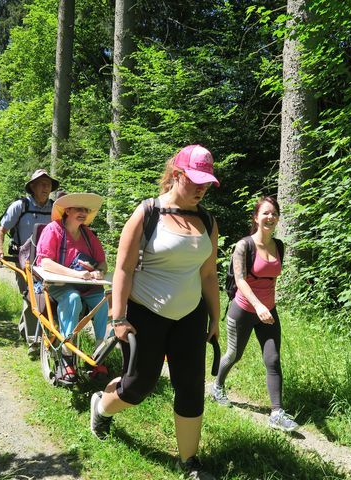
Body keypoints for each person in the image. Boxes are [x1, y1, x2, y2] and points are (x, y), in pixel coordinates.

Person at [90, 145, 220, 480]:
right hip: (145, 313)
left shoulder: (206, 220)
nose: (202, 188)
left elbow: (208, 274)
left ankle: (189, 461)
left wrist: (216, 318)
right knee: (138, 386)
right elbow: (123, 268)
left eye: (206, 182)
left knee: (191, 387)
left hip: (191, 316)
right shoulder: (148, 212)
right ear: (177, 175)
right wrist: (118, 317)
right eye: (195, 180)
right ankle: (101, 408)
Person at [210, 196, 300, 432]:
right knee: (233, 355)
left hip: (268, 312)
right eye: (265, 213)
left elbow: (271, 278)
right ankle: (217, 385)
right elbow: (240, 280)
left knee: (273, 359)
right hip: (244, 309)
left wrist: (268, 304)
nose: (270, 217)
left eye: (274, 213)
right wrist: (258, 305)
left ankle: (277, 413)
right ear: (256, 217)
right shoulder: (244, 246)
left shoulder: (279, 245)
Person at [35, 192, 109, 384]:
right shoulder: (53, 230)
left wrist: (99, 272)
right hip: (58, 284)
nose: (83, 213)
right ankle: (66, 358)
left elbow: (102, 263)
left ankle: (99, 354)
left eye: (85, 210)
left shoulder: (88, 234)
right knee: (73, 299)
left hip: (86, 284)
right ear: (67, 210)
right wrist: (76, 275)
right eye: (78, 209)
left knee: (102, 300)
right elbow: (46, 263)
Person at [0, 169, 60, 350]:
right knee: (31, 297)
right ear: (32, 187)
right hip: (24, 260)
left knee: (47, 297)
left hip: (49, 262)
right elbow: (0, 230)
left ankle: (34, 331)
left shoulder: (55, 209)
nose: (46, 187)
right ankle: (34, 342)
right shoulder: (20, 206)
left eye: (49, 184)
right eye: (42, 184)